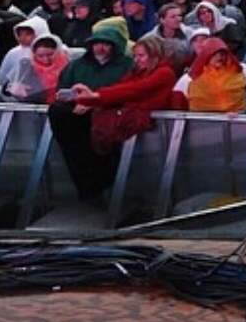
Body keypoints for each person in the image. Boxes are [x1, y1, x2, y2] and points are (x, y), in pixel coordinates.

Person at [49, 31, 171, 200]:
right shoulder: (137, 71)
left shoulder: (164, 73)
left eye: (141, 56)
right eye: (135, 55)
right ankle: (93, 185)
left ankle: (100, 185)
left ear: (155, 55)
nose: (137, 60)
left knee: (94, 136)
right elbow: (120, 88)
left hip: (133, 119)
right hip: (120, 114)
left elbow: (134, 90)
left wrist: (93, 97)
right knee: (61, 114)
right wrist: (89, 98)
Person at [185, 37, 246, 114]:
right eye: (214, 54)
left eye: (222, 53)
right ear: (206, 56)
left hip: (238, 118)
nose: (219, 57)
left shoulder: (238, 75)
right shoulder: (196, 79)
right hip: (205, 120)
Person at [6, 33, 71, 104]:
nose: (46, 59)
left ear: (58, 52)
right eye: (40, 56)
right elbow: (6, 89)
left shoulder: (68, 66)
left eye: (50, 55)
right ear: (34, 54)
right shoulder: (26, 66)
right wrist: (16, 88)